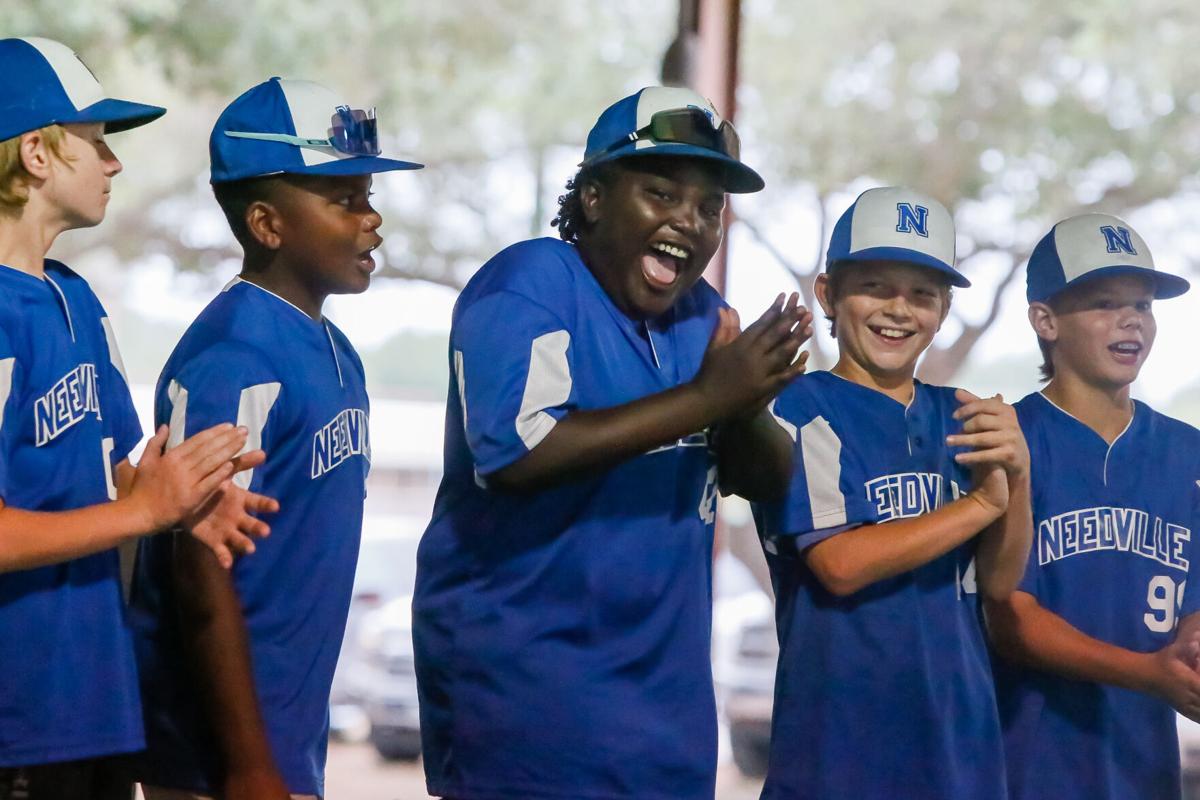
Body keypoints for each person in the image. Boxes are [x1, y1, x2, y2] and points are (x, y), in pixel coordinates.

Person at [412, 85, 812, 800]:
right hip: (528, 715)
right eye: (662, 193)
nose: (688, 223)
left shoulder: (702, 318)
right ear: (594, 198)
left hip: (665, 722)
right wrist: (708, 397)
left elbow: (770, 478)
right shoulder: (530, 283)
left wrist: (746, 404)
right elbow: (515, 455)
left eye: (709, 207)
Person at [128, 77, 422, 800]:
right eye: (346, 200)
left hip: (283, 736)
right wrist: (249, 764)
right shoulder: (235, 355)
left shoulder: (335, 349)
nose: (371, 220)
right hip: (215, 755)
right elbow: (199, 570)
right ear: (267, 223)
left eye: (370, 197)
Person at [0, 37, 273, 799]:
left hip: (92, 704)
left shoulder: (74, 298)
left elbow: (119, 471)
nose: (115, 164)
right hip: (15, 717)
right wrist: (143, 512)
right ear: (36, 155)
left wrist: (184, 506)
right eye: (96, 143)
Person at [751, 186, 1032, 799]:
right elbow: (841, 563)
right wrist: (982, 503)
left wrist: (1018, 473)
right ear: (828, 294)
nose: (899, 310)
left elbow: (1001, 583)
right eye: (876, 286)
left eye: (923, 294)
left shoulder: (960, 416)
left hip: (959, 737)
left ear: (945, 308)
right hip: (840, 746)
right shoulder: (803, 407)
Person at [986, 213, 1200, 800]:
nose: (1131, 319)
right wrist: (1151, 675)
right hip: (1025, 764)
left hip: (1144, 766)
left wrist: (1189, 655)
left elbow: (1194, 611)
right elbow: (1009, 620)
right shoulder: (1007, 438)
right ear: (1045, 320)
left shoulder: (1188, 453)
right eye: (1104, 302)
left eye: (1144, 304)